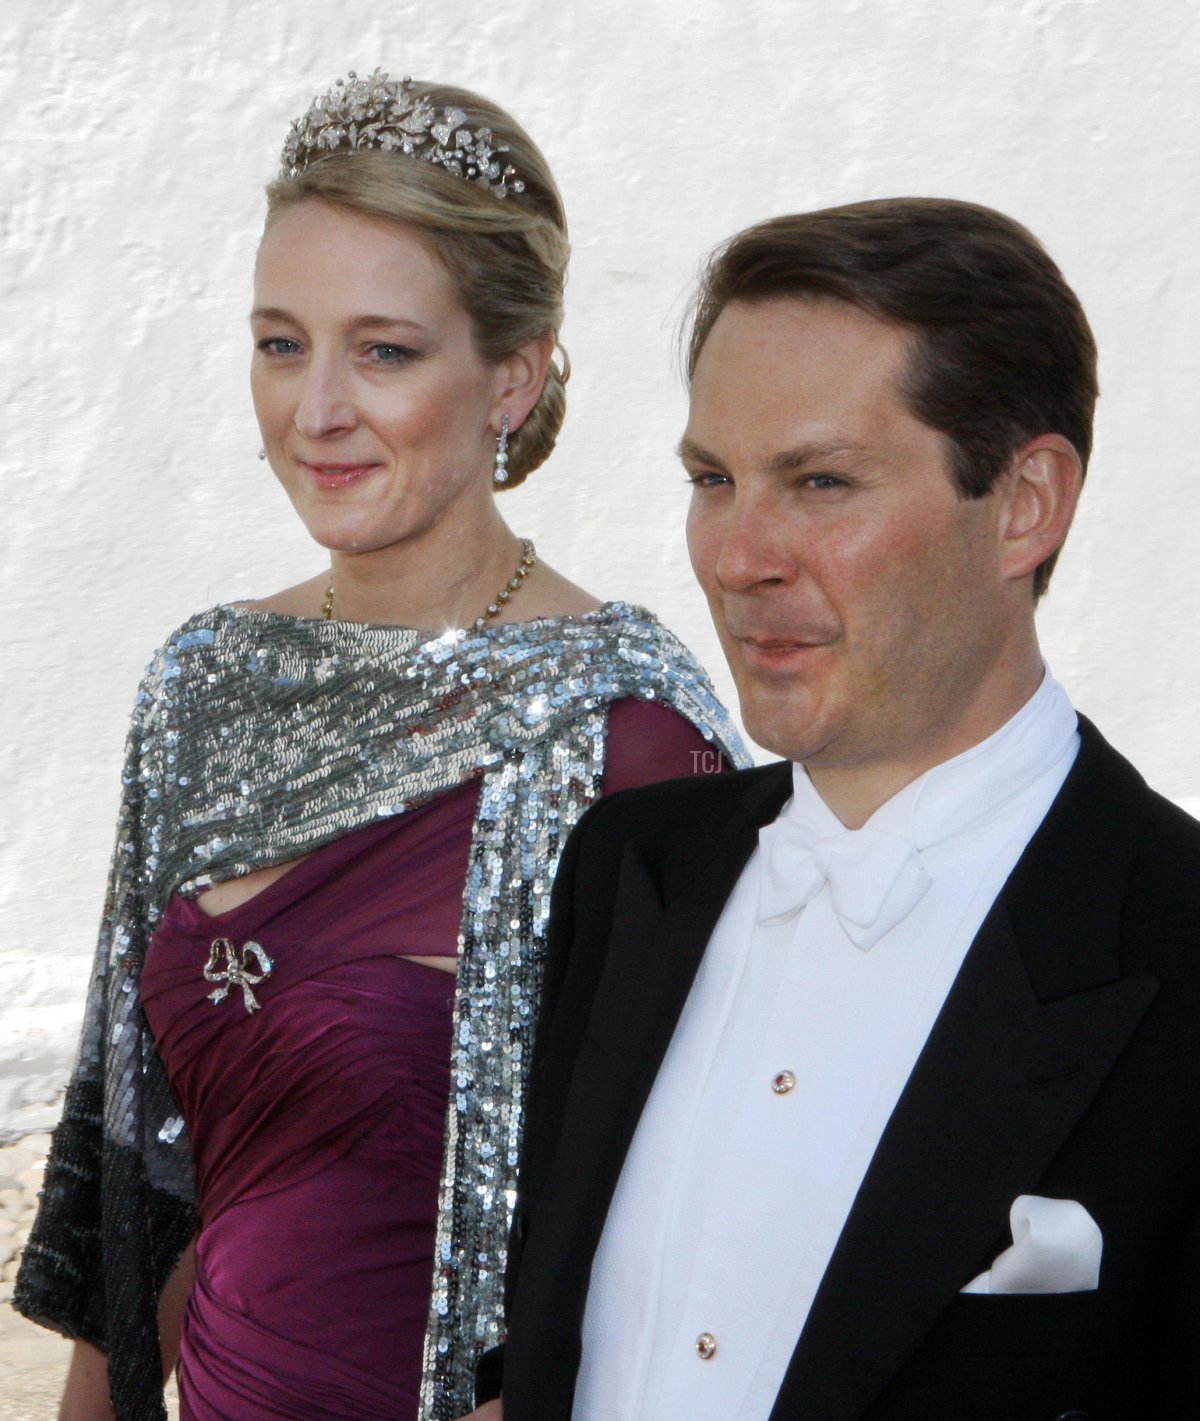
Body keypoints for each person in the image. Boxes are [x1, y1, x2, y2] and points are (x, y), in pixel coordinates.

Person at [14, 70, 747, 1421]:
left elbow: (697, 1246)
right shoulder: (203, 689)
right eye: (281, 343)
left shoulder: (626, 737)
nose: (317, 410)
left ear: (511, 378)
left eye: (386, 351)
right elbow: (142, 1176)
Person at [475, 199, 1200, 1419]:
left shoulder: (1177, 945)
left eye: (819, 480)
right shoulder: (625, 867)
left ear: (1026, 502)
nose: (735, 554)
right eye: (714, 478)